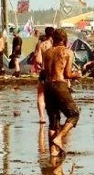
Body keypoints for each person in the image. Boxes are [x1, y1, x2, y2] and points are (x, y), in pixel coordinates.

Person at [42, 28, 81, 157]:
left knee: (53, 120)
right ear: (65, 40)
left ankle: (53, 152)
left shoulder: (47, 52)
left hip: (48, 86)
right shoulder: (67, 52)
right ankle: (59, 138)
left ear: (53, 38)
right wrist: (76, 75)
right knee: (74, 114)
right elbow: (67, 74)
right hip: (59, 85)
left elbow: (45, 71)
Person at [33, 27, 55, 123]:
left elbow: (37, 59)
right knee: (55, 95)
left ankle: (42, 117)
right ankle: (54, 116)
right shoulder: (55, 45)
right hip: (54, 72)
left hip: (44, 71)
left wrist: (42, 63)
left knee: (40, 95)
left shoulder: (41, 44)